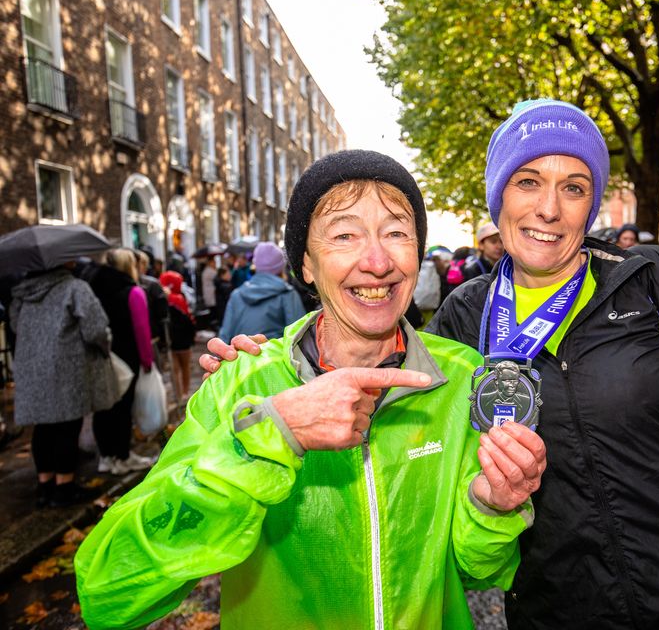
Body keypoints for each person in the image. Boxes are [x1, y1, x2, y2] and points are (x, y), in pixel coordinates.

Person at [209, 101, 659, 629]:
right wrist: (270, 366)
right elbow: (376, 371)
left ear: (591, 203)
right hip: (559, 606)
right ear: (499, 198)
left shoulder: (651, 280)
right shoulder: (465, 315)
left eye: (574, 187)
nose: (549, 208)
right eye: (527, 182)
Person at [75, 150, 546, 630]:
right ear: (305, 265)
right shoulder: (243, 381)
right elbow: (109, 594)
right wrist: (267, 438)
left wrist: (491, 504)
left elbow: (477, 570)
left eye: (396, 232)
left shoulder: (464, 376)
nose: (378, 261)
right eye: (344, 234)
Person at [10, 263, 114, 506]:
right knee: (67, 427)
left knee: (43, 427)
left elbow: (15, 326)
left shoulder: (22, 294)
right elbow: (95, 329)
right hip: (66, 368)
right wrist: (105, 346)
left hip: (31, 367)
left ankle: (44, 484)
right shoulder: (75, 288)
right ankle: (64, 487)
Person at [88, 249, 156, 475]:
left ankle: (106, 457)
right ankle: (123, 456)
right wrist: (147, 359)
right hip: (127, 356)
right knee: (123, 407)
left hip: (101, 356)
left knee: (103, 407)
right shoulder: (133, 292)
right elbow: (141, 330)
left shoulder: (93, 288)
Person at [218, 242, 306, 343]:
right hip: (275, 357)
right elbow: (300, 337)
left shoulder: (237, 295)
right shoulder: (287, 294)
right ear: (281, 267)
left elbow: (225, 336)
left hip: (242, 356)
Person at [159, 270, 195, 403]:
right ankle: (185, 393)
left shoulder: (163, 299)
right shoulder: (180, 299)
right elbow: (189, 320)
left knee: (175, 369)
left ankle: (179, 394)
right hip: (184, 340)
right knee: (185, 366)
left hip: (172, 341)